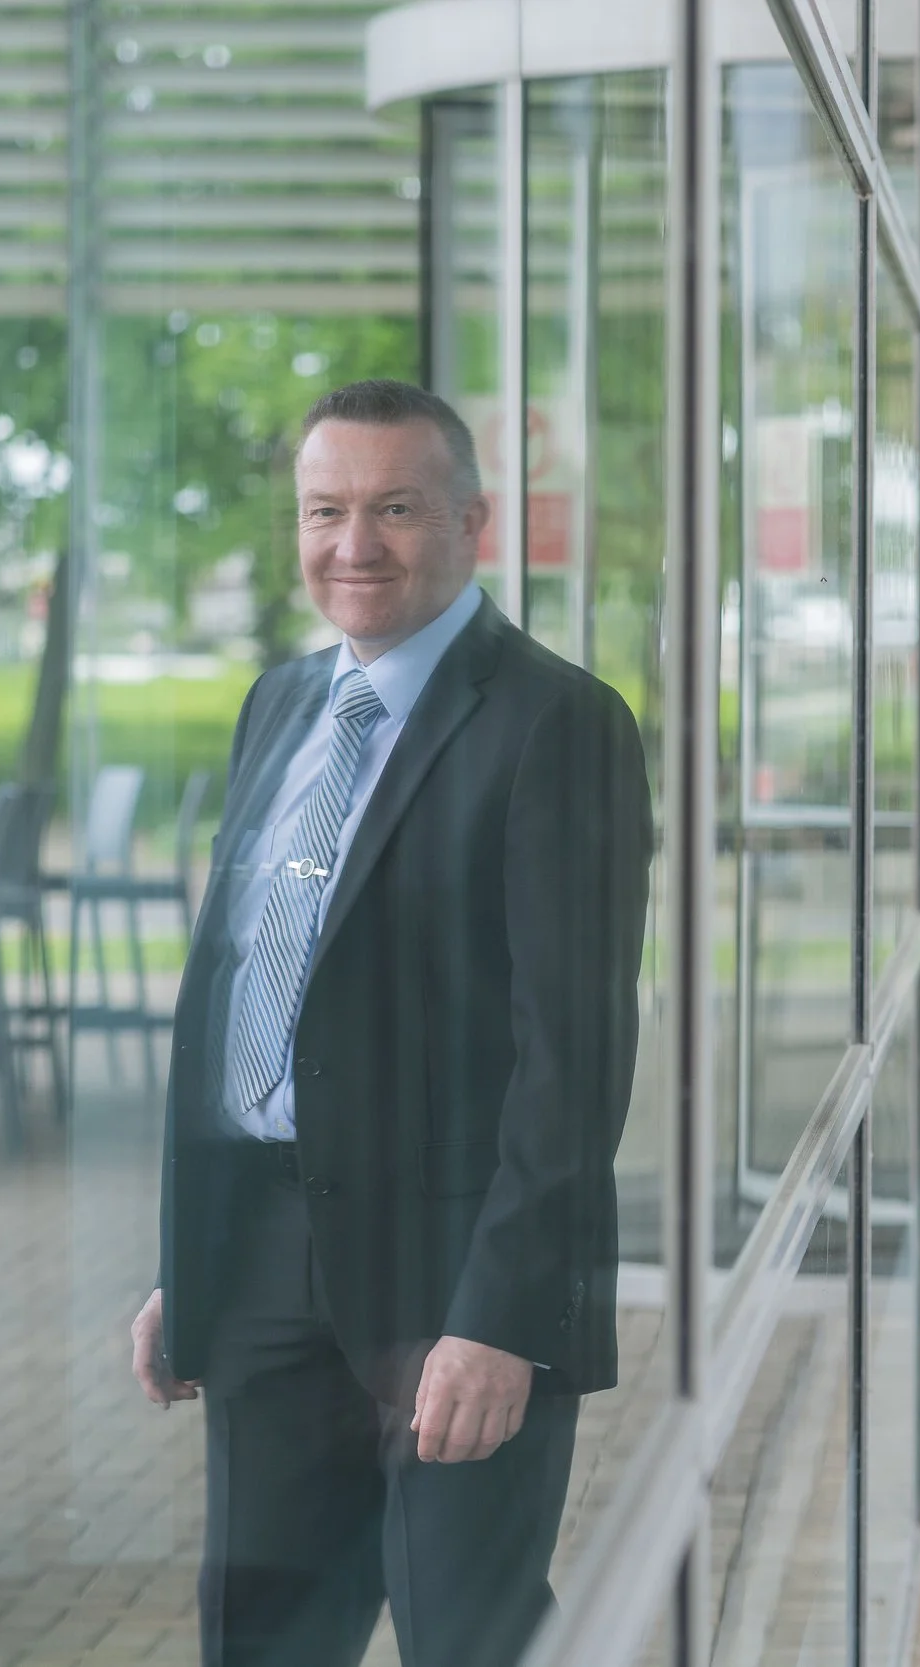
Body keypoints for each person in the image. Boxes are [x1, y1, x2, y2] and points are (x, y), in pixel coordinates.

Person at [126, 378, 652, 1667]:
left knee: (465, 1635)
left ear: (474, 518)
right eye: (326, 510)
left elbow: (572, 1064)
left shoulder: (557, 722)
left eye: (396, 508)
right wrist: (188, 1263)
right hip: (260, 1257)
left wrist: (504, 1314)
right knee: (261, 1639)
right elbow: (243, 989)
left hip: (453, 1277)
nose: (353, 544)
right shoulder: (282, 705)